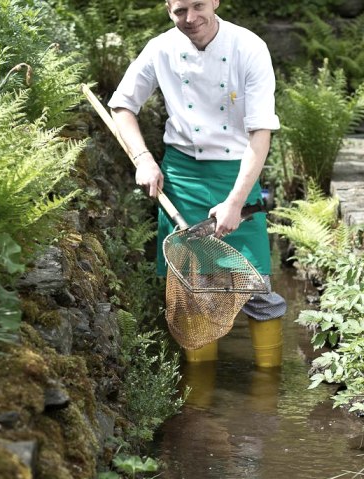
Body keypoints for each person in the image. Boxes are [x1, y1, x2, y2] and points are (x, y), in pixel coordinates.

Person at [107, 0, 287, 367]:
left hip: (237, 173)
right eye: (180, 11)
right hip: (182, 177)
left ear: (216, 1)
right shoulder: (160, 48)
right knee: (192, 292)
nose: (190, 19)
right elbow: (122, 106)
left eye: (198, 6)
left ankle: (269, 391)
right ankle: (199, 399)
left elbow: (260, 131)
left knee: (257, 289)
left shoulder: (249, 47)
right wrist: (143, 159)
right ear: (168, 9)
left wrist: (236, 202)